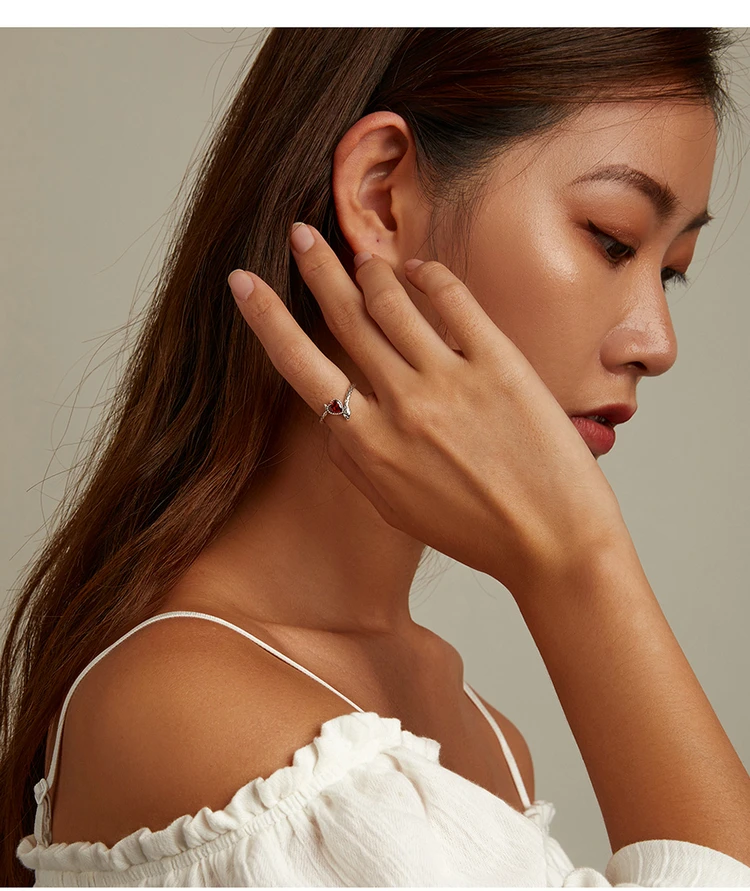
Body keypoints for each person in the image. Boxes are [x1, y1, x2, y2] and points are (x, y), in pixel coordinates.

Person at [4, 27, 750, 886]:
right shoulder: (205, 718)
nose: (657, 342)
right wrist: (579, 562)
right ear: (382, 196)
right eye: (614, 239)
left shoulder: (482, 736)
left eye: (672, 269)